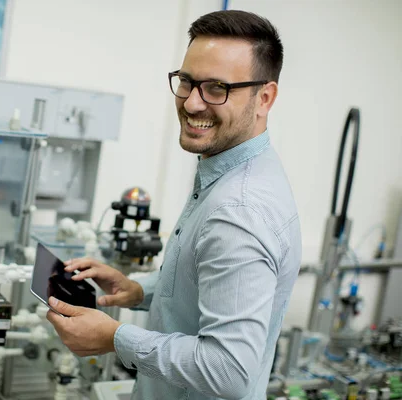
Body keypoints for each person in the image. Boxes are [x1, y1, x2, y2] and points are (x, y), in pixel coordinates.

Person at [46, 10, 301, 400]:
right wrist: (138, 290)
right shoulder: (231, 171)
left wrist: (116, 338)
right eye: (186, 82)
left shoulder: (239, 212)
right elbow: (206, 286)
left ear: (264, 98)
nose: (193, 103)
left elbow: (228, 371)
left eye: (217, 88)